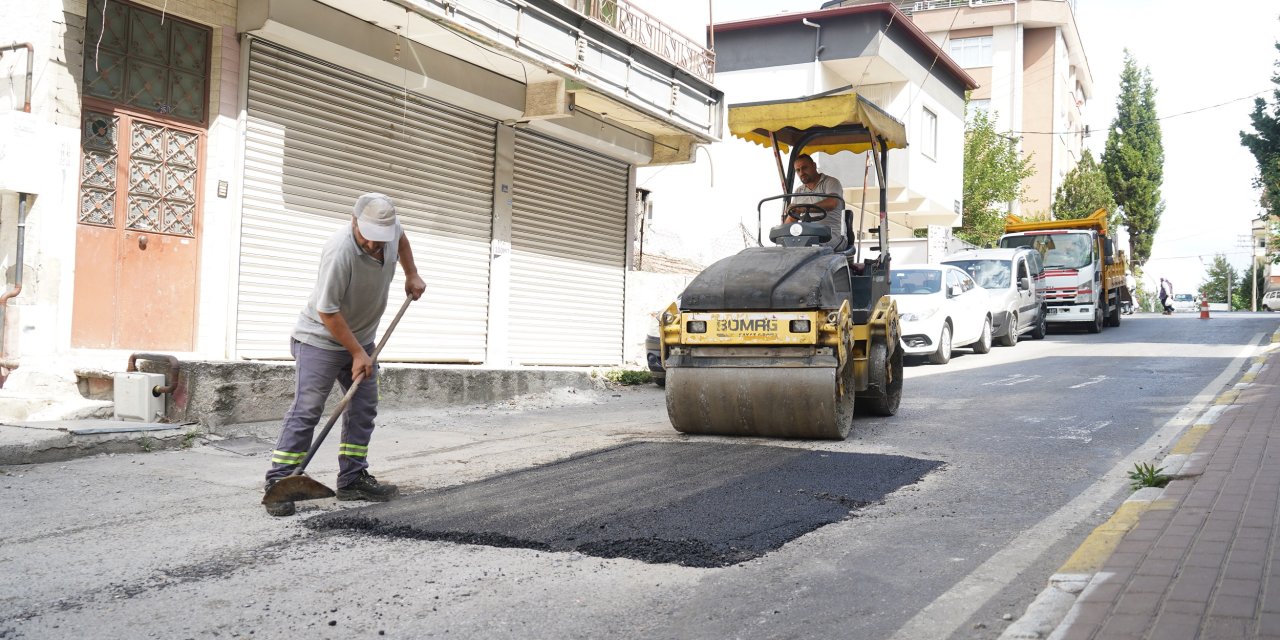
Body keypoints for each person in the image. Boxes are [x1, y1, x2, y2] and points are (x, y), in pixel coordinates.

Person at [263, 193, 427, 517]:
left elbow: (403, 239)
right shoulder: (340, 251)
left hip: (362, 340)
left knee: (363, 408)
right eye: (368, 238)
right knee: (307, 409)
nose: (373, 246)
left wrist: (411, 273)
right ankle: (279, 483)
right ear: (354, 222)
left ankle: (352, 479)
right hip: (320, 340)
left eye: (381, 240)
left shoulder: (390, 233)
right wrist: (356, 353)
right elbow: (327, 311)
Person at [786, 154, 845, 248]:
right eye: (798, 170)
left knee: (810, 249)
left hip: (831, 237)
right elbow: (791, 219)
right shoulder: (798, 191)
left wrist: (804, 208)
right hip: (807, 238)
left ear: (814, 165)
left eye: (804, 168)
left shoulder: (831, 182)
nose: (801, 173)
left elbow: (832, 203)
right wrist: (781, 232)